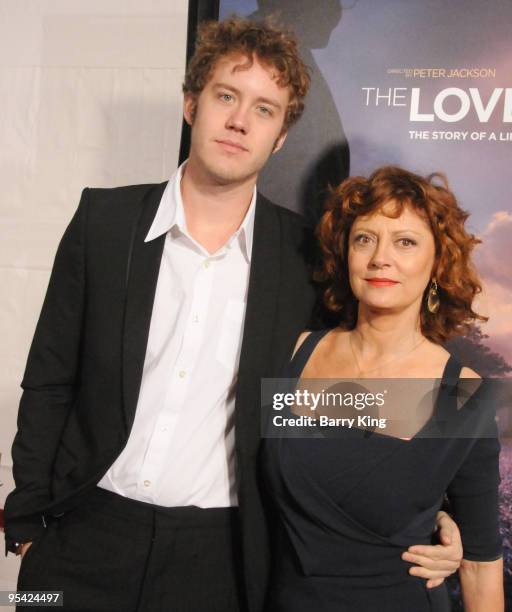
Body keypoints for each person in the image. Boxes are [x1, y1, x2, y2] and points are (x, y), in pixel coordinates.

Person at [4, 17, 462, 612]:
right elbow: (48, 379)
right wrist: (27, 521)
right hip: (78, 537)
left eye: (265, 109)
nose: (240, 120)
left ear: (279, 138)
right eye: (226, 96)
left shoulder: (305, 259)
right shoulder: (104, 222)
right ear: (192, 103)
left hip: (222, 558)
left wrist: (438, 514)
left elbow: (356, 389)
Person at [262, 166, 504, 611]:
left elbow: (478, 564)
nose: (380, 258)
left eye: (405, 242)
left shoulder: (460, 395)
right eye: (364, 239)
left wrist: (442, 526)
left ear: (438, 264)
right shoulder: (294, 355)